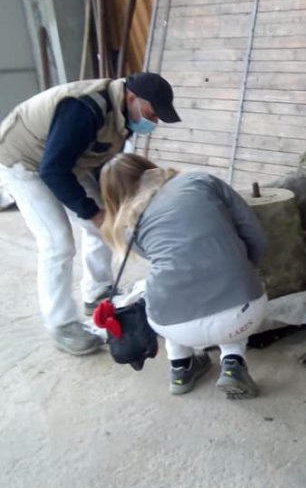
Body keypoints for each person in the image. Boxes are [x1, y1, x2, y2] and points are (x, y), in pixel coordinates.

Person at [0, 72, 181, 355]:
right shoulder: (84, 109)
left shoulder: (123, 116)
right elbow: (53, 170)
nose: (154, 121)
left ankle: (97, 292)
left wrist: (113, 209)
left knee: (104, 224)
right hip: (24, 160)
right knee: (57, 242)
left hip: (68, 159)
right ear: (132, 97)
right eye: (153, 113)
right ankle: (61, 325)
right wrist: (90, 211)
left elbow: (103, 164)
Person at [99, 153, 267, 399]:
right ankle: (233, 364)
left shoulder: (127, 227)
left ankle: (180, 369)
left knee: (164, 292)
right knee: (231, 289)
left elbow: (175, 262)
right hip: (244, 314)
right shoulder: (201, 181)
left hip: (175, 326)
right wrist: (242, 269)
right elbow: (256, 235)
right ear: (148, 167)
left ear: (112, 197)